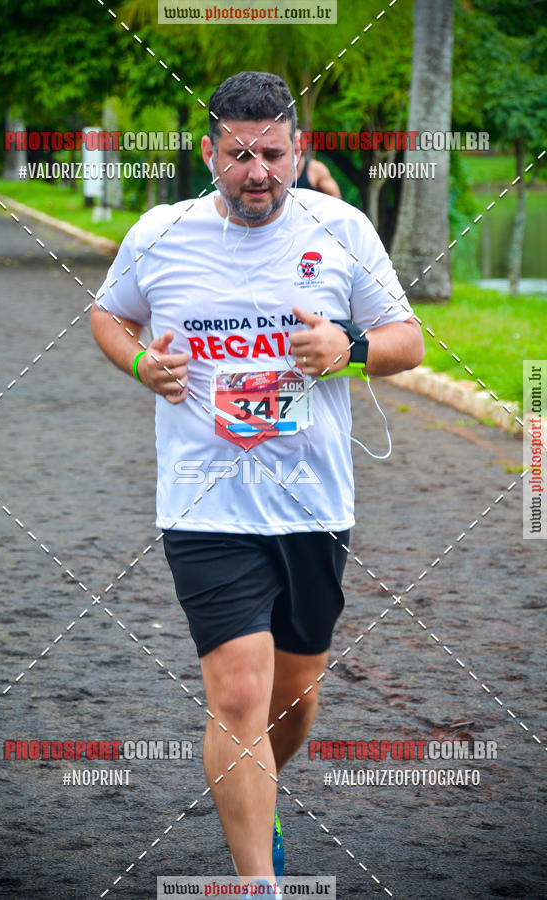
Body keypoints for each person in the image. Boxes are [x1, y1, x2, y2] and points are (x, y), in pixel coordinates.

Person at [91, 71, 424, 894]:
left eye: (272, 153)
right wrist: (140, 361)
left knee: (294, 695)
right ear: (209, 153)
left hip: (313, 503)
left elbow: (408, 340)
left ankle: (256, 790)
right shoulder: (162, 233)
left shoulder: (340, 229)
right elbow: (109, 312)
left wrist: (349, 348)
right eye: (237, 155)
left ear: (298, 149)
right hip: (203, 500)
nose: (257, 172)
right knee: (240, 692)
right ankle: (255, 885)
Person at [295, 129, 341, 198]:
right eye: (294, 140)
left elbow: (336, 197)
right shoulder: (277, 169)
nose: (297, 144)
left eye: (299, 140)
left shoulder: (316, 169)